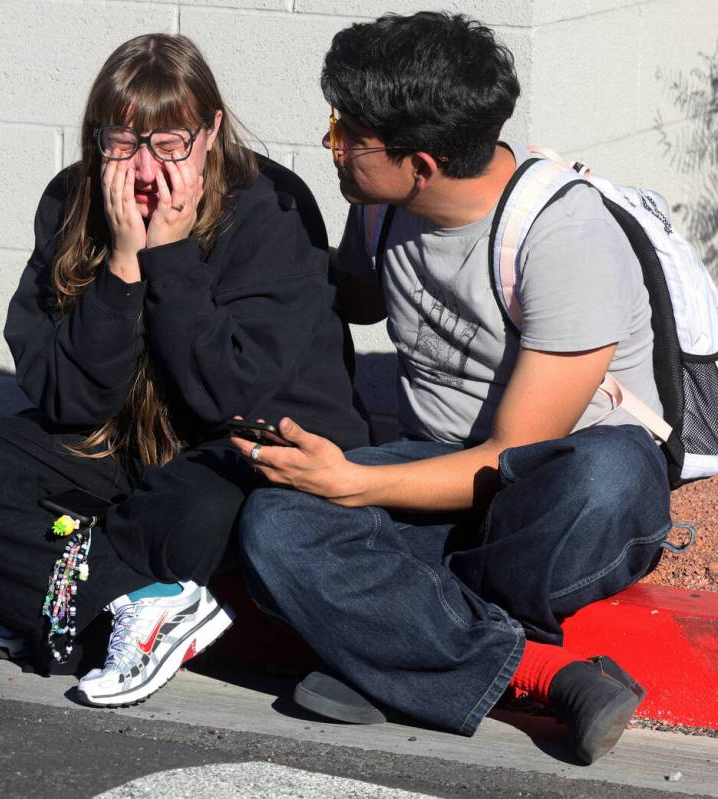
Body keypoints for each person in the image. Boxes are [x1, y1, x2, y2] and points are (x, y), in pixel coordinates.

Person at [233, 12, 673, 764]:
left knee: (604, 475)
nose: (330, 144)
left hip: (549, 491)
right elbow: (354, 299)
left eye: (348, 134)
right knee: (275, 521)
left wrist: (348, 484)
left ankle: (399, 648)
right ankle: (540, 669)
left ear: (424, 164)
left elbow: (510, 456)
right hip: (437, 471)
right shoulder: (377, 204)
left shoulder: (565, 238)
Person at [0, 33, 368, 708]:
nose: (144, 168)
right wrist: (119, 264)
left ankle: (53, 606)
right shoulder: (72, 201)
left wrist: (169, 255)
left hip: (244, 447)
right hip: (119, 443)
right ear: (96, 137)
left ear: (212, 132)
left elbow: (225, 395)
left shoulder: (268, 206)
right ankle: (109, 606)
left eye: (170, 142)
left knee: (196, 510)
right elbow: (70, 401)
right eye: (122, 142)